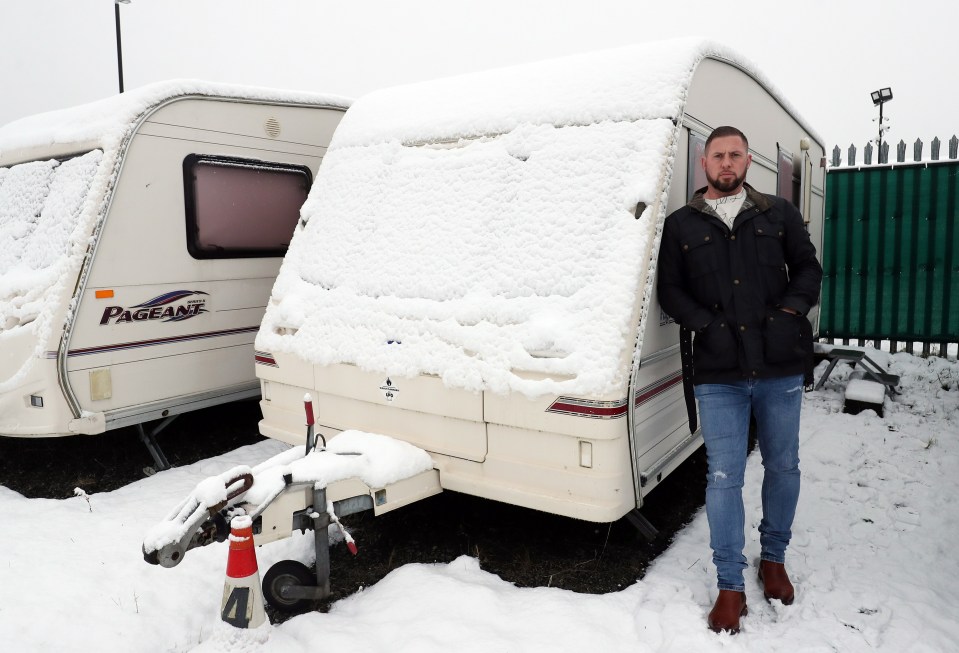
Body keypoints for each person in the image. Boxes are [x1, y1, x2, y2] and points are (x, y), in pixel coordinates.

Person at [656, 126, 823, 634]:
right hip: (719, 372)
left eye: (735, 155)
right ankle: (730, 584)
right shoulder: (681, 225)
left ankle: (773, 559)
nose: (726, 163)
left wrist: (789, 311)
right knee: (724, 477)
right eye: (717, 156)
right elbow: (671, 290)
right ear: (703, 163)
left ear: (749, 160)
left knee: (784, 465)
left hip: (779, 367)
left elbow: (809, 270)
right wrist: (707, 326)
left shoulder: (779, 214)